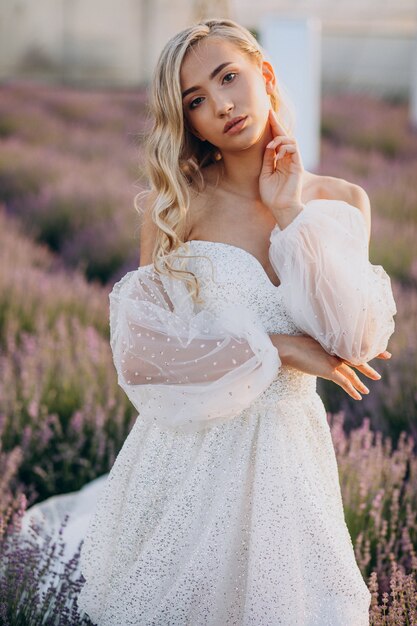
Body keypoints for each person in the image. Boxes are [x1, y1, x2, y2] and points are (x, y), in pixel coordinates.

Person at [23, 18, 396, 625]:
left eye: (230, 78)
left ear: (264, 74)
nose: (221, 104)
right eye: (196, 100)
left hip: (290, 459)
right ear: (187, 120)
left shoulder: (342, 201)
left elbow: (355, 338)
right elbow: (143, 353)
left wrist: (291, 212)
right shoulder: (177, 206)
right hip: (191, 460)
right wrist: (276, 347)